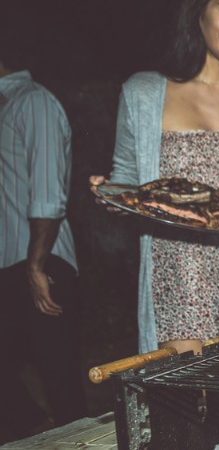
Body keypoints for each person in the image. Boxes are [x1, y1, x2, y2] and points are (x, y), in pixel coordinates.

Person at [91, 0, 219, 355]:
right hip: (179, 275)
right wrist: (112, 195)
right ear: (199, 13)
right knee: (190, 400)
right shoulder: (143, 94)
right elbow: (128, 181)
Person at [0, 55, 87, 438]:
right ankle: (35, 426)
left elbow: (49, 190)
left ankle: (71, 437)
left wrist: (36, 267)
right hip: (9, 265)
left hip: (40, 261)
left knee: (61, 382)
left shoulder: (32, 100)